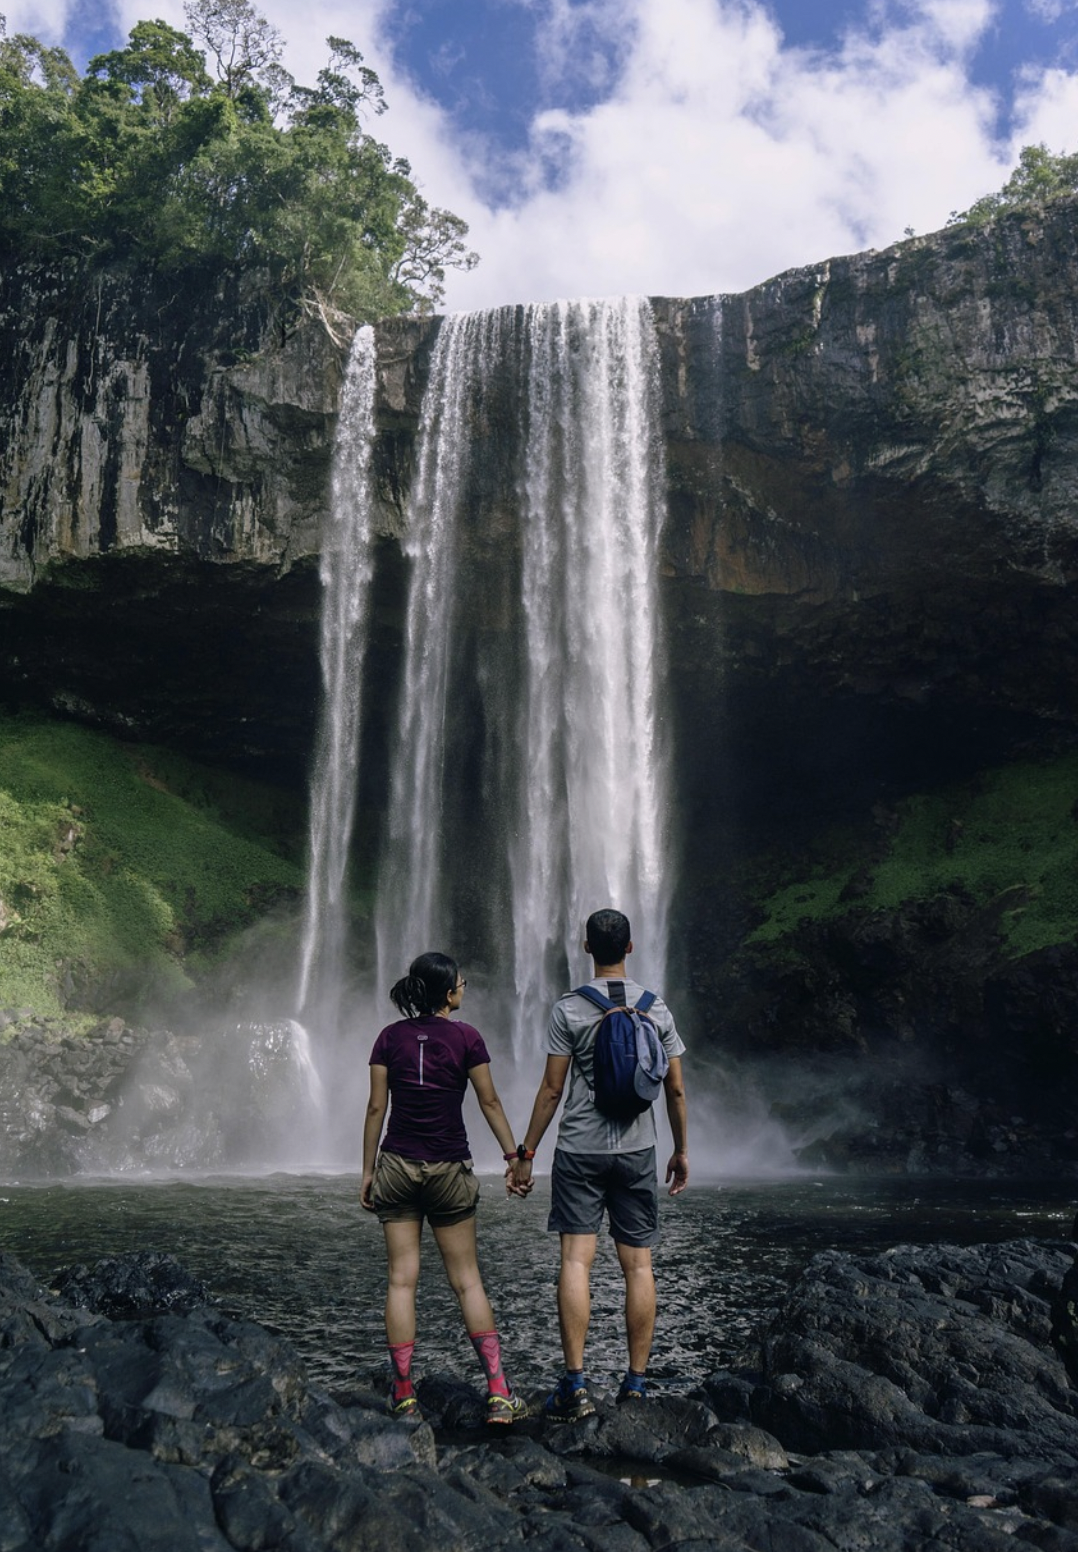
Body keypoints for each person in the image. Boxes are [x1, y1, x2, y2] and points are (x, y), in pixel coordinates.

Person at [510, 908, 688, 1419]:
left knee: (575, 1262)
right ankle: (635, 1384)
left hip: (580, 1149)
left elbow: (550, 1090)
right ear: (630, 948)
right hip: (637, 1150)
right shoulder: (657, 1009)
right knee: (639, 1266)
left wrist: (526, 1153)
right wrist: (680, 1150)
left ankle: (576, 1385)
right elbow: (674, 1089)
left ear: (586, 947)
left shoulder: (569, 1009)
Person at [361, 951, 528, 1425]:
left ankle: (404, 1396)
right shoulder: (466, 1038)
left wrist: (368, 1170)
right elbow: (489, 1100)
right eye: (461, 981)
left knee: (400, 1280)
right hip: (449, 1167)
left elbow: (376, 1109)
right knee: (467, 1280)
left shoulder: (388, 1038)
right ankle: (498, 1394)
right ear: (448, 994)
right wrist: (515, 1158)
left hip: (396, 1164)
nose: (464, 987)